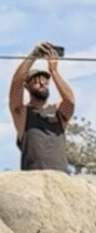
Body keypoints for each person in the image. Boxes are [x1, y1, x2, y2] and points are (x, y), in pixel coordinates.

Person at [8, 43, 75, 172]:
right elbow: (17, 83)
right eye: (36, 80)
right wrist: (34, 55)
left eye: (45, 80)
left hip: (61, 181)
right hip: (34, 183)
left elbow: (70, 100)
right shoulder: (22, 113)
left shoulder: (57, 112)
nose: (41, 83)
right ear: (27, 86)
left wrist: (54, 71)